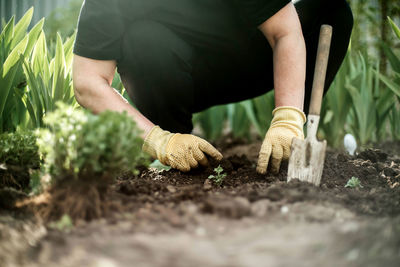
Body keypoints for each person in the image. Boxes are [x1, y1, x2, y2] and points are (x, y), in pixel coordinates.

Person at [72, 0, 353, 174]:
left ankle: (292, 142)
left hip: (253, 62)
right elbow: (87, 82)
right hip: (173, 76)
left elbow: (285, 32)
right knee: (141, 40)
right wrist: (160, 141)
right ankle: (181, 148)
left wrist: (288, 117)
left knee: (330, 11)